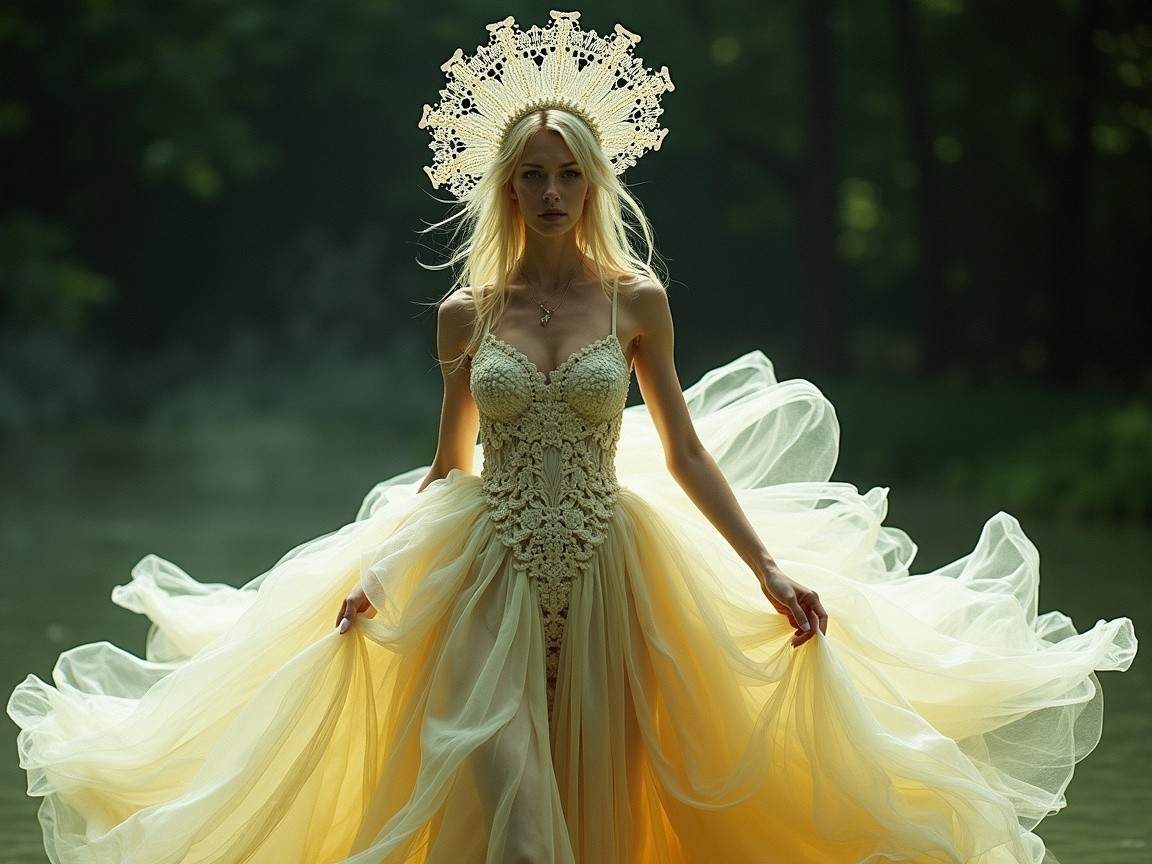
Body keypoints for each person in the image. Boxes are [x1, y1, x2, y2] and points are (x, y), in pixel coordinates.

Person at [8, 11, 1136, 864]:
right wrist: (380, 574)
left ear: (594, 183)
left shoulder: (636, 302)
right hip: (482, 577)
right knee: (519, 823)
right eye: (532, 175)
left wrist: (768, 569)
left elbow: (684, 452)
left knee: (601, 830)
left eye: (568, 174)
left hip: (612, 577)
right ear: (506, 188)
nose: (551, 191)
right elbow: (447, 465)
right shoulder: (468, 315)